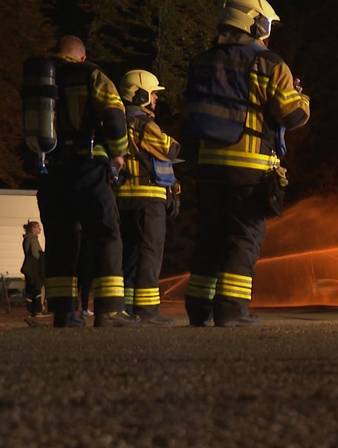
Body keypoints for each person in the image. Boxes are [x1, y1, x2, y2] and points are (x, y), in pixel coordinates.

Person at [183, 0, 310, 327]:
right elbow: (291, 114)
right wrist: (302, 97)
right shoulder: (270, 64)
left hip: (208, 165)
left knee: (210, 236)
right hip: (249, 166)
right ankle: (232, 310)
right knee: (243, 237)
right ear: (257, 24)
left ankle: (198, 308)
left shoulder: (202, 63)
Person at [30, 36, 133, 327]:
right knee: (106, 233)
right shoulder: (92, 75)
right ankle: (110, 310)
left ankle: (64, 311)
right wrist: (118, 154)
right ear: (82, 57)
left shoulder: (40, 79)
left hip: (51, 171)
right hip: (87, 167)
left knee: (62, 240)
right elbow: (114, 116)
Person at [116, 69, 181, 325]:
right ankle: (147, 311)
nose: (155, 100)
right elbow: (171, 148)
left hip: (123, 198)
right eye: (153, 94)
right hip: (148, 197)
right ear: (140, 94)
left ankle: (130, 308)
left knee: (130, 254)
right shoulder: (143, 123)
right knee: (150, 254)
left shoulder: (115, 120)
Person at [21, 221, 46, 317]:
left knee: (30, 289)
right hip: (34, 267)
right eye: (38, 227)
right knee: (37, 288)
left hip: (28, 268)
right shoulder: (32, 238)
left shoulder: (27, 238)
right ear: (33, 229)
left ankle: (32, 310)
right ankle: (38, 310)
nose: (40, 229)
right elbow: (36, 254)